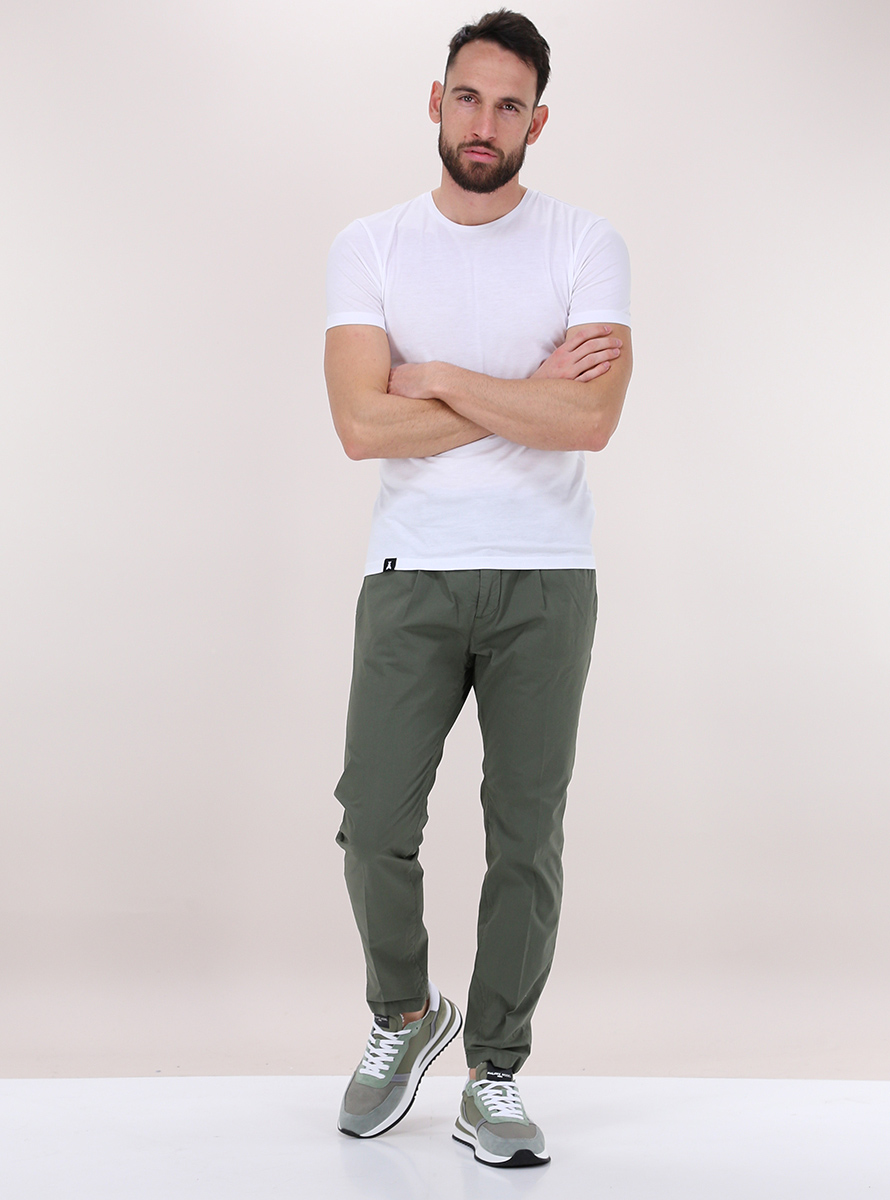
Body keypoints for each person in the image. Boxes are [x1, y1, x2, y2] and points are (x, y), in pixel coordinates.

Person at [324, 9, 632, 1169]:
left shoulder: (585, 243)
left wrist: (441, 378)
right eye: (467, 97)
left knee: (524, 835)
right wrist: (519, 389)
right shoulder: (370, 245)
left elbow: (588, 418)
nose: (484, 122)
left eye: (509, 105)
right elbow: (362, 428)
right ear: (435, 101)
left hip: (546, 578)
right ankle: (403, 1013)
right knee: (373, 821)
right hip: (410, 572)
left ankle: (493, 1074)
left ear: (536, 122)